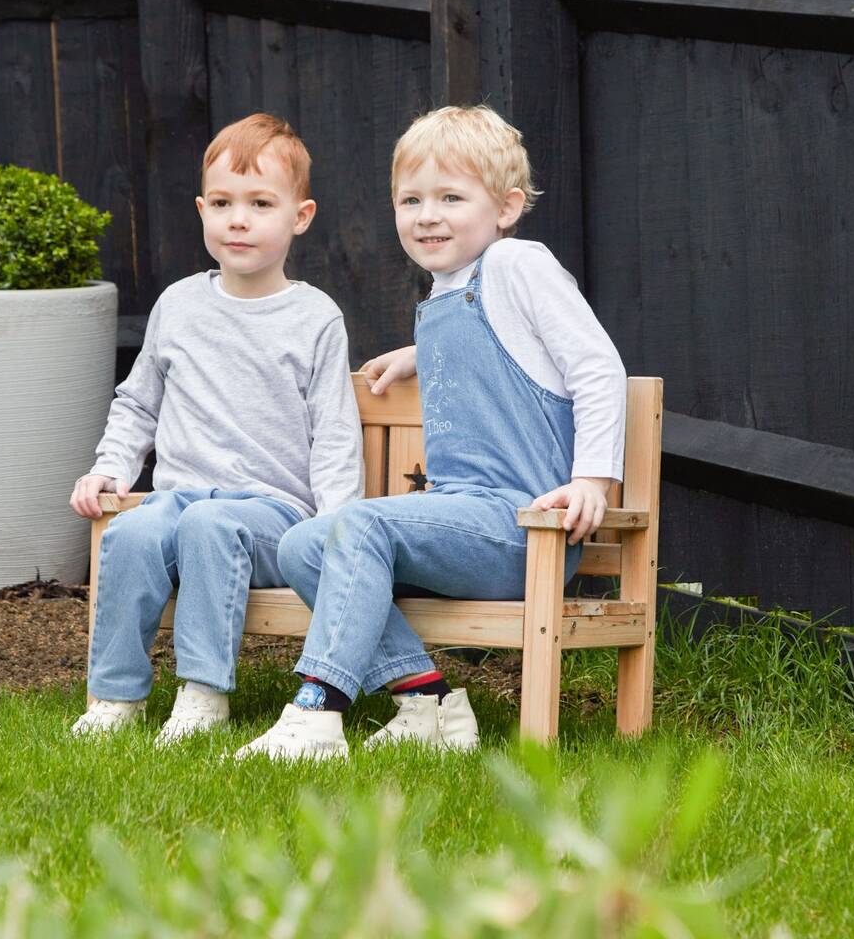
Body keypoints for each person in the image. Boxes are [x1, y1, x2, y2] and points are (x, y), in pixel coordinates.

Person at [235, 105, 626, 760]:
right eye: (410, 199)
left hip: (525, 526)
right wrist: (419, 353)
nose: (427, 215)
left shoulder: (517, 266)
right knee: (306, 545)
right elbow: (501, 346)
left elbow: (594, 366)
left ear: (504, 207)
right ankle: (428, 704)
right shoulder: (447, 296)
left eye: (451, 197)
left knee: (358, 527)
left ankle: (318, 713)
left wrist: (593, 479)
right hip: (459, 516)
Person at [69, 113, 363, 744]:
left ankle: (203, 695)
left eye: (261, 204)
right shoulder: (178, 306)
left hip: (272, 515)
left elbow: (335, 432)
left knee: (211, 525)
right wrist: (110, 469)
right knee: (131, 533)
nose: (239, 219)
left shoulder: (314, 317)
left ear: (300, 216)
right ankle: (114, 700)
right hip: (177, 501)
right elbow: (137, 404)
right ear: (202, 210)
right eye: (224, 203)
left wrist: (336, 524)